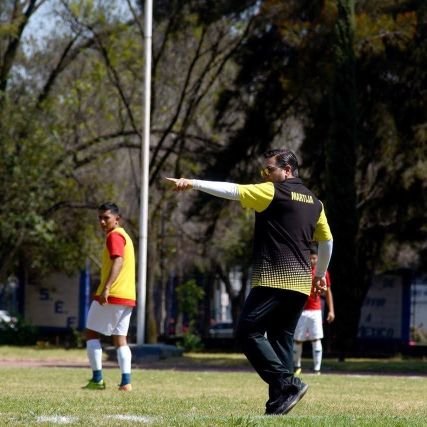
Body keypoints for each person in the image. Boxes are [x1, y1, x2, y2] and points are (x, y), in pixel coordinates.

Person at [167, 149, 333, 415]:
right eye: (263, 171)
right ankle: (277, 404)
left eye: (269, 170)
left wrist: (193, 183)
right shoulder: (316, 202)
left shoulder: (272, 192)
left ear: (287, 170)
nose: (264, 175)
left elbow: (232, 190)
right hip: (301, 283)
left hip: (274, 279)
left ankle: (287, 384)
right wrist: (319, 275)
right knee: (281, 341)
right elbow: (327, 241)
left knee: (248, 332)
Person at [82, 202, 136, 391]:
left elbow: (118, 261)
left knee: (90, 333)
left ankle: (97, 379)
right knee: (120, 339)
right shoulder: (125, 236)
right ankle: (126, 382)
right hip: (127, 296)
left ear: (117, 219)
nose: (103, 222)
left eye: (106, 218)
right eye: (100, 218)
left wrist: (106, 288)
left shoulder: (114, 236)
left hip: (112, 294)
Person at [293, 246, 335, 375]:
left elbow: (328, 292)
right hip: (301, 310)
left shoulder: (322, 272)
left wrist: (331, 310)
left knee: (316, 339)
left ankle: (317, 369)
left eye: (314, 258)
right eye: (310, 258)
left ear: (318, 258)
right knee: (298, 339)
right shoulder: (301, 270)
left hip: (315, 310)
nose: (312, 260)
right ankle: (297, 367)